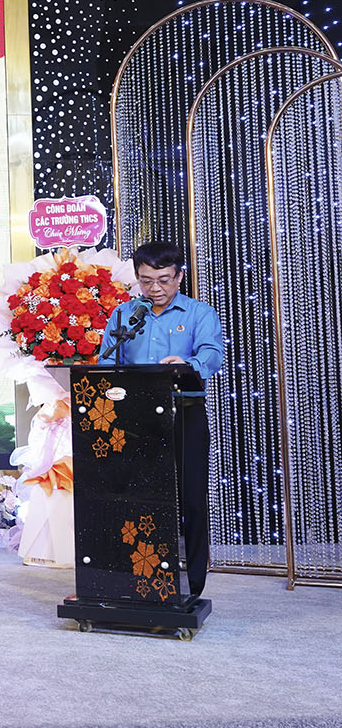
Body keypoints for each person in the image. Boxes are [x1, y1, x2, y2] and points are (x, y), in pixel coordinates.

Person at [101, 240, 225, 596]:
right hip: (134, 419)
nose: (155, 288)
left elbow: (212, 354)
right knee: (135, 498)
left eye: (164, 280)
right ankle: (138, 579)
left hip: (184, 414)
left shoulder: (199, 313)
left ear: (180, 276)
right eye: (146, 281)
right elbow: (107, 360)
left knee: (191, 500)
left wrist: (189, 364)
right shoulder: (124, 315)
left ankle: (194, 584)